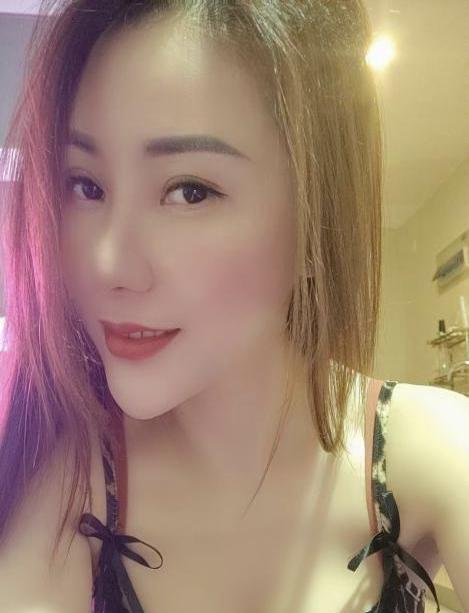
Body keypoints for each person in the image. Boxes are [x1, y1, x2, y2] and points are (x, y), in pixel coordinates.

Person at [0, 1, 467, 612]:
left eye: (189, 191)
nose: (107, 264)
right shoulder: (69, 483)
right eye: (86, 185)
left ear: (316, 223)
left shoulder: (431, 448)